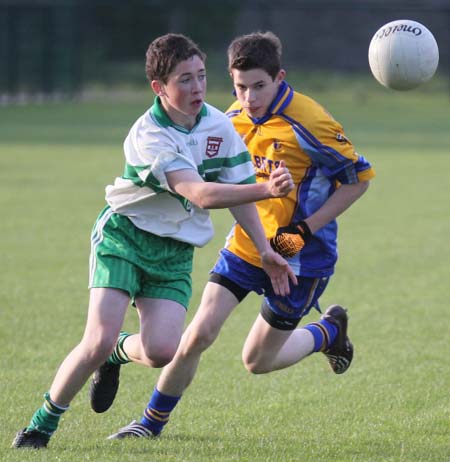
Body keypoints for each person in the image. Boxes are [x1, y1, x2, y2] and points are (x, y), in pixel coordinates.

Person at [12, 33, 296, 450]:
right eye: (184, 79)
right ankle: (41, 425)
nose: (197, 87)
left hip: (175, 251)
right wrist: (266, 189)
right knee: (97, 338)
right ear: (158, 88)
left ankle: (116, 355)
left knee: (163, 350)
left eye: (201, 76)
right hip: (125, 237)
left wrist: (266, 249)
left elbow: (237, 194)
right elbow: (200, 193)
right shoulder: (150, 134)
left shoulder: (219, 125)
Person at [92, 31, 376, 440]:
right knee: (199, 332)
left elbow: (359, 180)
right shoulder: (229, 120)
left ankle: (328, 333)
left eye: (259, 86)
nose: (249, 98)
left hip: (300, 252)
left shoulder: (311, 122)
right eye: (240, 87)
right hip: (249, 243)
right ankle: (150, 425)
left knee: (256, 360)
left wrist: (300, 232)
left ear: (280, 77)